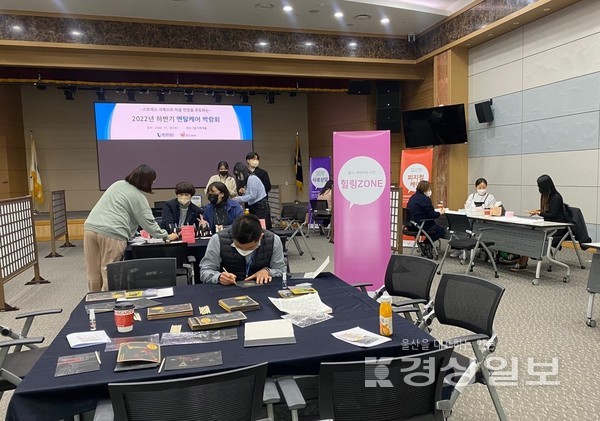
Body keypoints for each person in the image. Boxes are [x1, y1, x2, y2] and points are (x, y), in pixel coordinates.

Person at [84, 164, 179, 292]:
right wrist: (166, 236)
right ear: (147, 181)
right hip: (113, 233)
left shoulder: (117, 184)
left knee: (93, 272)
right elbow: (149, 224)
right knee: (109, 272)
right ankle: (107, 304)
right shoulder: (138, 196)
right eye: (152, 181)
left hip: (90, 228)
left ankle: (93, 303)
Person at [200, 214, 286, 285]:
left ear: (260, 237)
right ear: (232, 237)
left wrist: (268, 272)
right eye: (238, 247)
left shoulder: (273, 240)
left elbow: (281, 270)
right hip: (228, 290)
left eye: (250, 248)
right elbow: (205, 271)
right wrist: (218, 277)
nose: (244, 250)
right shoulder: (218, 239)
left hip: (261, 287)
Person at [512, 174, 568, 272]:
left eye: (540, 187)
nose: (539, 189)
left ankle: (524, 261)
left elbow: (552, 214)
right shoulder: (547, 196)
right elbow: (547, 211)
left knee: (532, 236)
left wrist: (539, 213)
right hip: (548, 225)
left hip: (557, 228)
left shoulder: (556, 197)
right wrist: (538, 211)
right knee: (528, 233)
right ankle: (522, 258)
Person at [406, 180, 446, 259]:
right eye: (429, 189)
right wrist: (440, 213)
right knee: (441, 231)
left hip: (411, 225)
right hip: (421, 225)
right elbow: (431, 214)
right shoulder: (425, 199)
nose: (430, 191)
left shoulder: (412, 197)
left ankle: (426, 245)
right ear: (425, 189)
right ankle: (426, 243)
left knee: (436, 228)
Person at [232, 161, 272, 229]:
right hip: (257, 206)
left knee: (261, 229)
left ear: (243, 172)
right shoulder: (249, 180)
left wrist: (238, 199)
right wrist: (244, 193)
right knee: (256, 228)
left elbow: (253, 196)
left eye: (239, 174)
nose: (238, 177)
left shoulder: (252, 178)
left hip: (260, 207)